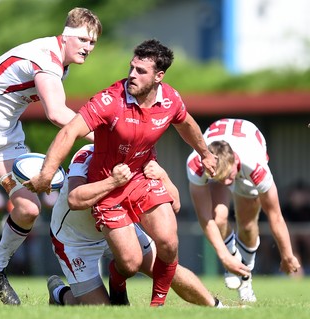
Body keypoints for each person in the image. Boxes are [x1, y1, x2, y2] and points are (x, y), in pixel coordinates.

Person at [25, 39, 219, 307]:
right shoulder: (108, 104)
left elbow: (185, 124)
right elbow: (70, 134)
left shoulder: (170, 99)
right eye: (132, 67)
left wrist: (205, 153)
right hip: (79, 236)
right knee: (123, 274)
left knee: (169, 245)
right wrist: (47, 174)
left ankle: (165, 307)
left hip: (134, 184)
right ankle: (61, 293)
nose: (132, 75)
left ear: (159, 76)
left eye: (141, 71)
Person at [0, 7, 102, 305]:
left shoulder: (61, 61)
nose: (88, 47)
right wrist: (105, 139)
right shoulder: (47, 61)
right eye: (83, 40)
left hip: (5, 135)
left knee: (29, 209)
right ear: (66, 36)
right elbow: (56, 114)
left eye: (93, 42)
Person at [46, 144, 223, 307]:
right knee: (101, 311)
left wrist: (163, 176)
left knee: (167, 269)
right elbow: (75, 199)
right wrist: (114, 181)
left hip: (119, 225)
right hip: (76, 240)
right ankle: (60, 293)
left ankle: (217, 307)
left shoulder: (140, 154)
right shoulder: (87, 154)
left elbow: (175, 203)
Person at [186, 118, 301, 302]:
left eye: (229, 177)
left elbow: (275, 215)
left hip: (248, 145)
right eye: (220, 179)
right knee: (218, 218)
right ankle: (236, 265)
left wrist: (287, 255)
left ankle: (245, 277)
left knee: (247, 226)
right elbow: (204, 217)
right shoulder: (196, 164)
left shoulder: (254, 165)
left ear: (235, 162)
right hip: (220, 158)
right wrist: (225, 256)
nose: (227, 184)